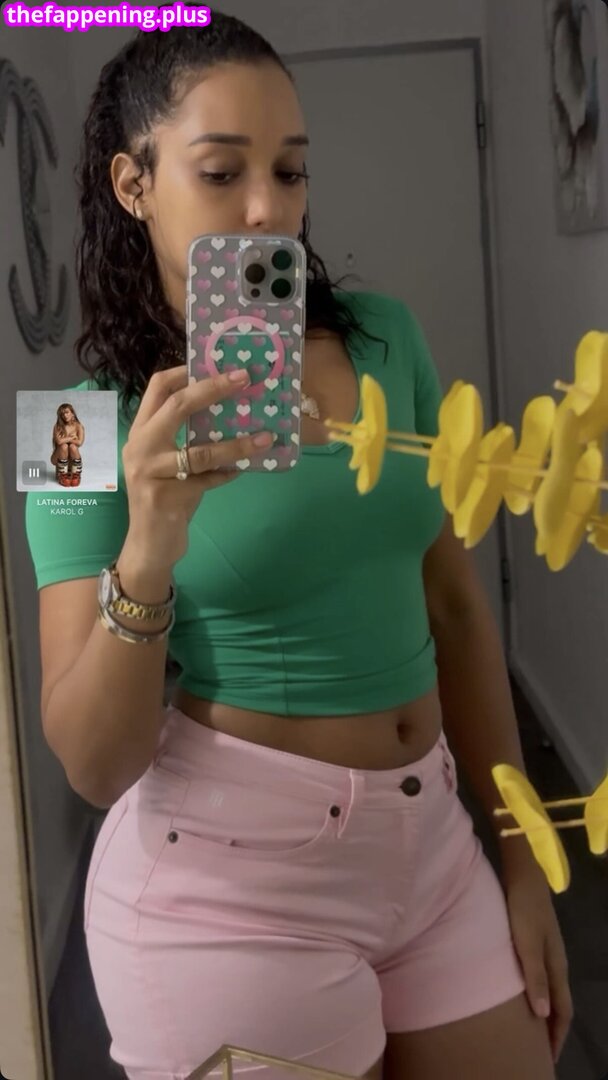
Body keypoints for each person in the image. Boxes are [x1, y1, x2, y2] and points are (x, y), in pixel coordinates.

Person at [24, 9, 572, 1080]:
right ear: (134, 184)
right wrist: (148, 548)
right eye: (220, 172)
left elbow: (456, 608)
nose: (268, 209)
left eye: (290, 169)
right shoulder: (73, 427)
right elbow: (92, 764)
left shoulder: (386, 337)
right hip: (225, 890)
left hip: (431, 848)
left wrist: (520, 856)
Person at [50, 403, 84, 487]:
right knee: (64, 446)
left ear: (72, 413)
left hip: (71, 457)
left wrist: (65, 439)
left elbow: (80, 442)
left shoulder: (78, 425)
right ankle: (63, 475)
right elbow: (59, 442)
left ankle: (76, 475)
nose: (65, 415)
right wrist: (71, 438)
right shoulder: (58, 426)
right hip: (57, 457)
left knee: (73, 447)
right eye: (62, 414)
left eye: (67, 412)